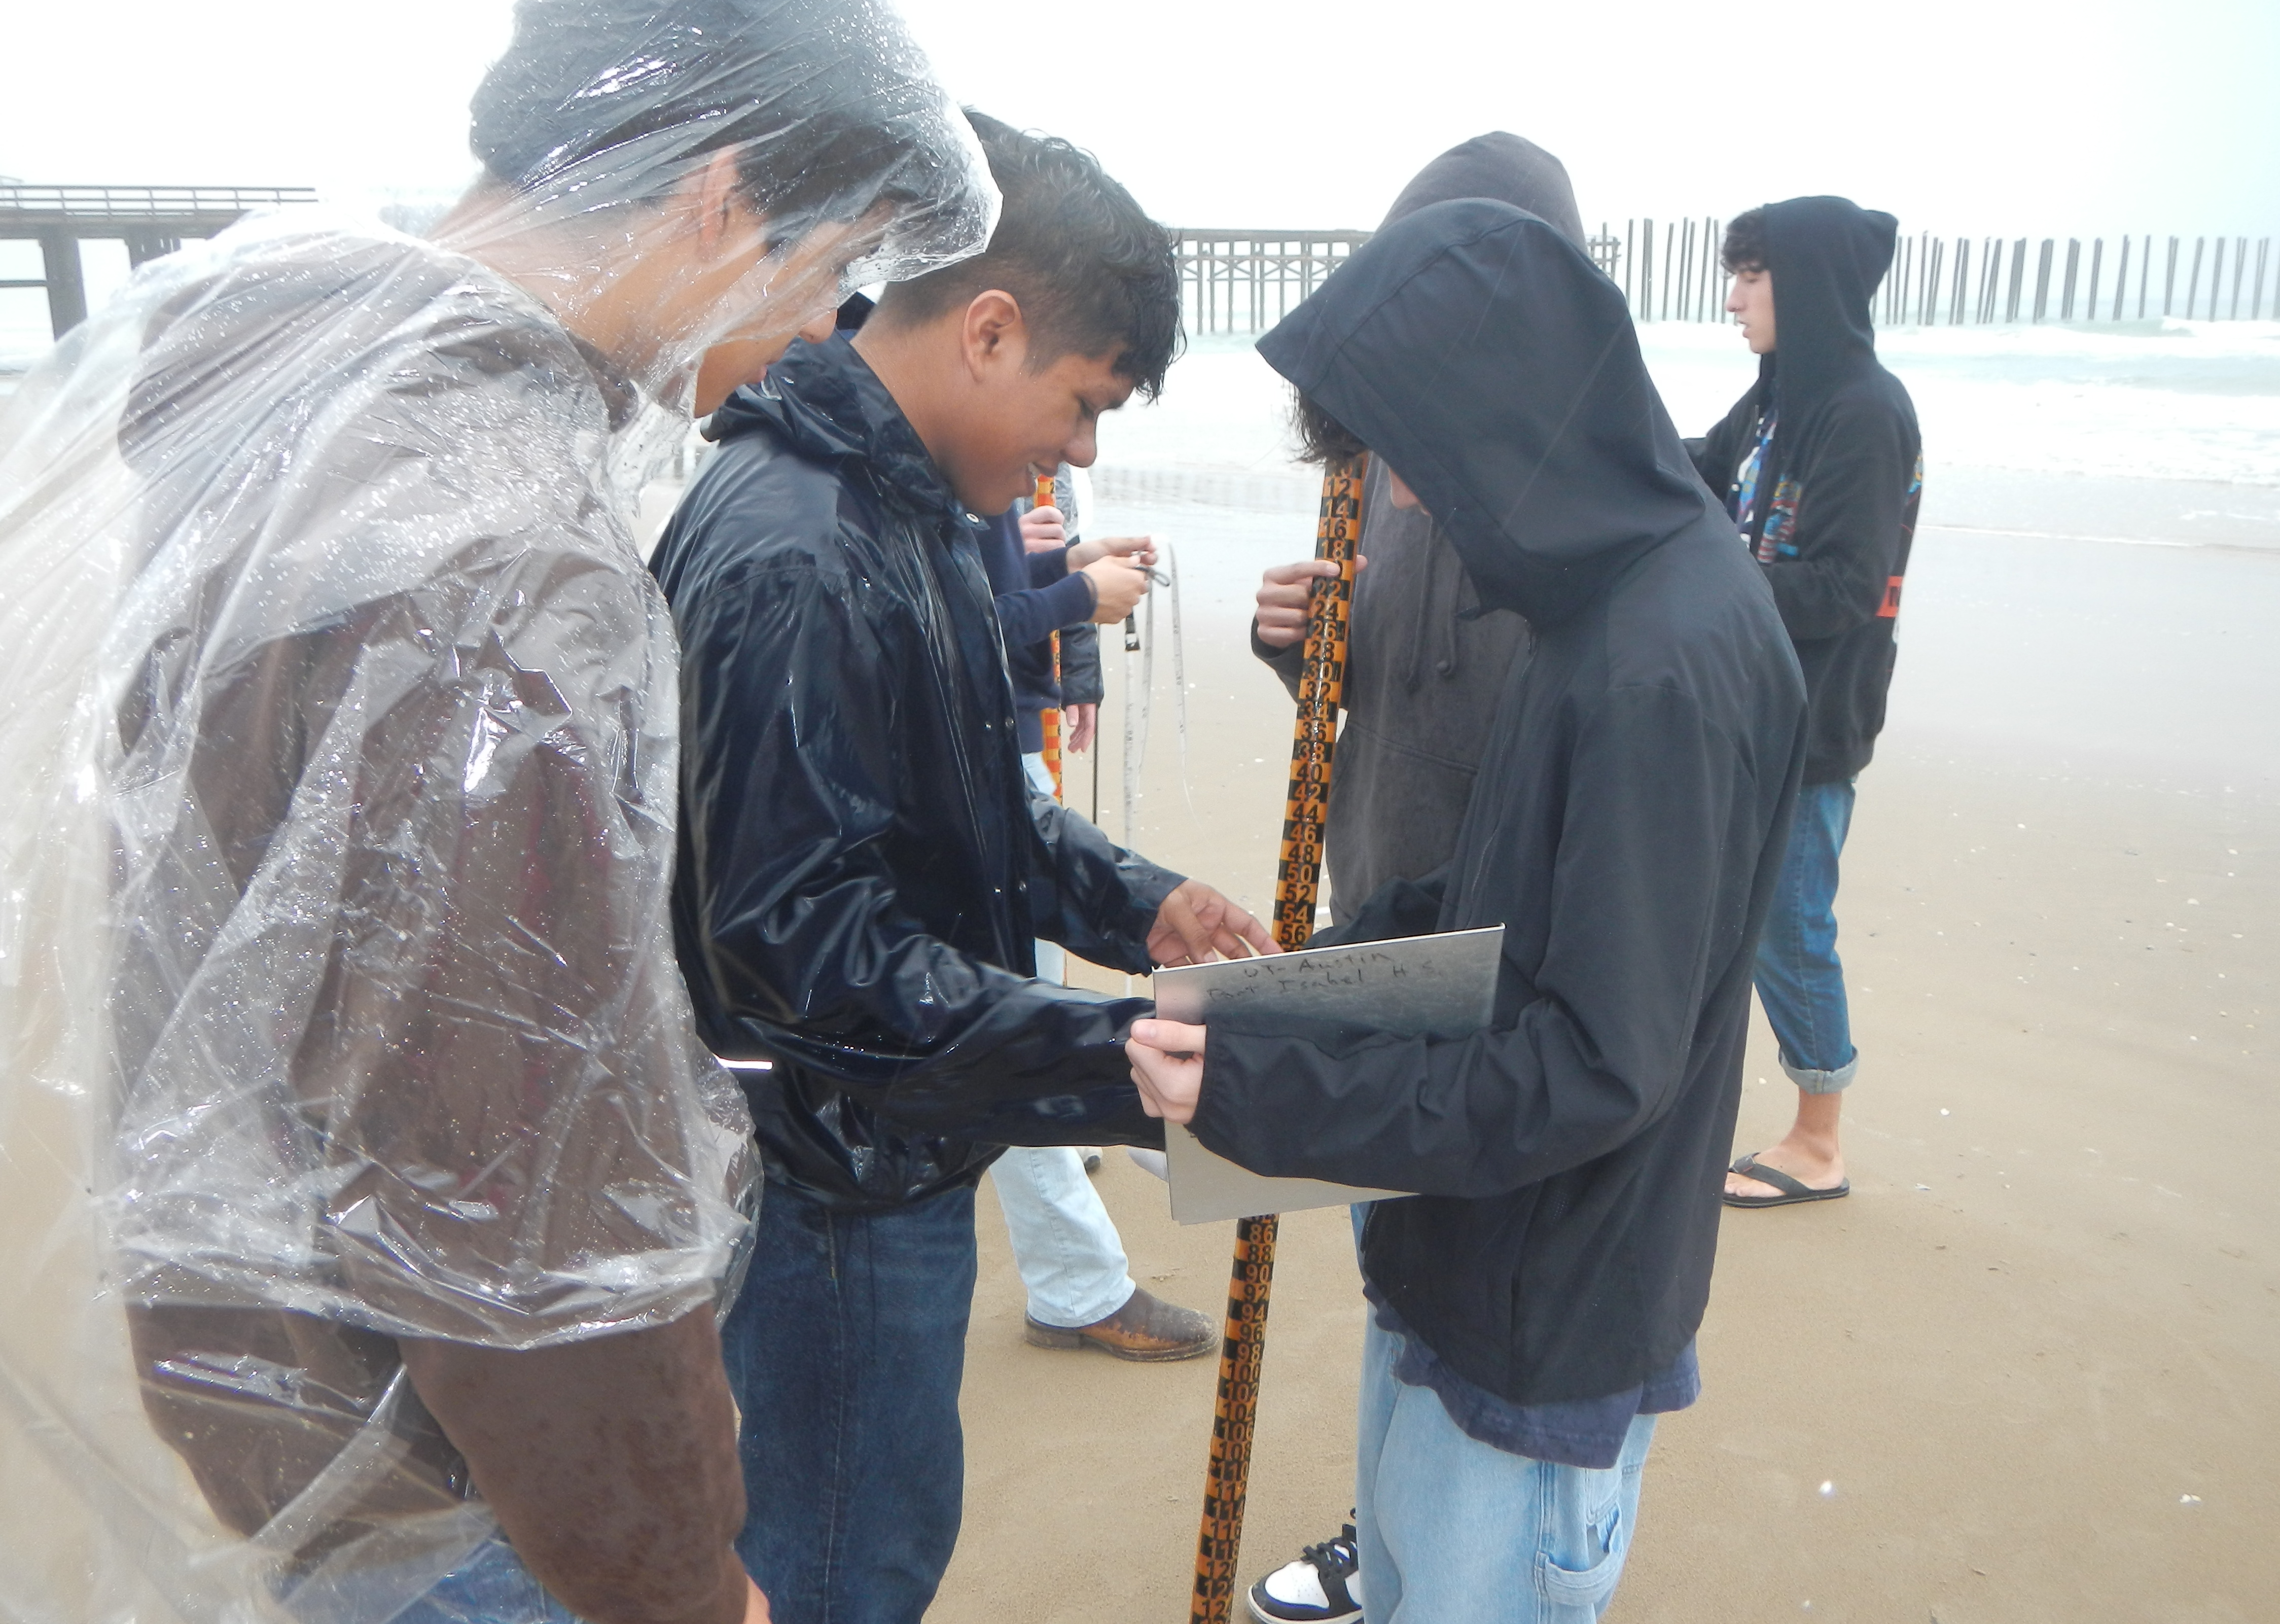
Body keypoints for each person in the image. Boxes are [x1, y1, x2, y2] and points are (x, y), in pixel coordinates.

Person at [0, 0, 997, 1624]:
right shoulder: (489, 566)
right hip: (466, 1480)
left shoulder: (289, 412)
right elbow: (525, 1210)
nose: (827, 329)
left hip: (278, 1389)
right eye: (832, 269)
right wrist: (685, 1580)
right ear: (717, 195)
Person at [1125, 198, 1806, 1623]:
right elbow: (1498, 899)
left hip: (1539, 1325)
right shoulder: (1597, 604)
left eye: (1412, 465)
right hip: (1469, 1269)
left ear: (1501, 422)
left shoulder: (1660, 661)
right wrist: (1286, 997)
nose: (1408, 504)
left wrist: (1280, 1097)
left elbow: (1594, 1063)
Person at [653, 110, 1273, 1623]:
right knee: (848, 1551)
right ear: (989, 332)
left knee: (871, 1523)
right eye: (1082, 401)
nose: (1081, 447)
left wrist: (1145, 909)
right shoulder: (799, 551)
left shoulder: (916, 510)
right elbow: (799, 953)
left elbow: (973, 815)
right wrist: (1110, 1050)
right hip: (833, 1176)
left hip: (903, 1134)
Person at [1241, 131, 1586, 1624]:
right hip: (1379, 914)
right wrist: (1297, 650)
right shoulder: (1379, 469)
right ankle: (1393, 1545)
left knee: (1494, 1301)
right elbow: (1381, 696)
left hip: (1515, 970)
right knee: (1397, 1282)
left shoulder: (1584, 499)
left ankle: (1488, 1566)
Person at [1250, 132, 1585, 927]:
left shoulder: (1583, 501)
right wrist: (1294, 638)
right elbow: (1351, 688)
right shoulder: (1364, 460)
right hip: (1361, 885)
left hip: (1505, 921)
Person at [1692, 199, 1922, 1209]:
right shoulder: (1778, 399)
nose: (1733, 296)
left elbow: (1840, 588)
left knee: (1789, 926)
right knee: (1710, 914)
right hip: (1741, 709)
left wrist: (1704, 585)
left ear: (1811, 284)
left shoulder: (1864, 413)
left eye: (1752, 273)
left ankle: (1818, 1140)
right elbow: (1696, 475)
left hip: (1812, 724)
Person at [973, 499, 1216, 1360]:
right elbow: (950, 617)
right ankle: (1077, 1287)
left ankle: (1083, 1134)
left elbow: (978, 583)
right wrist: (1075, 595)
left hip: (1010, 731)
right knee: (1013, 1016)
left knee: (1032, 994)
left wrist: (1066, 570)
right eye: (1078, 403)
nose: (1078, 443)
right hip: (985, 745)